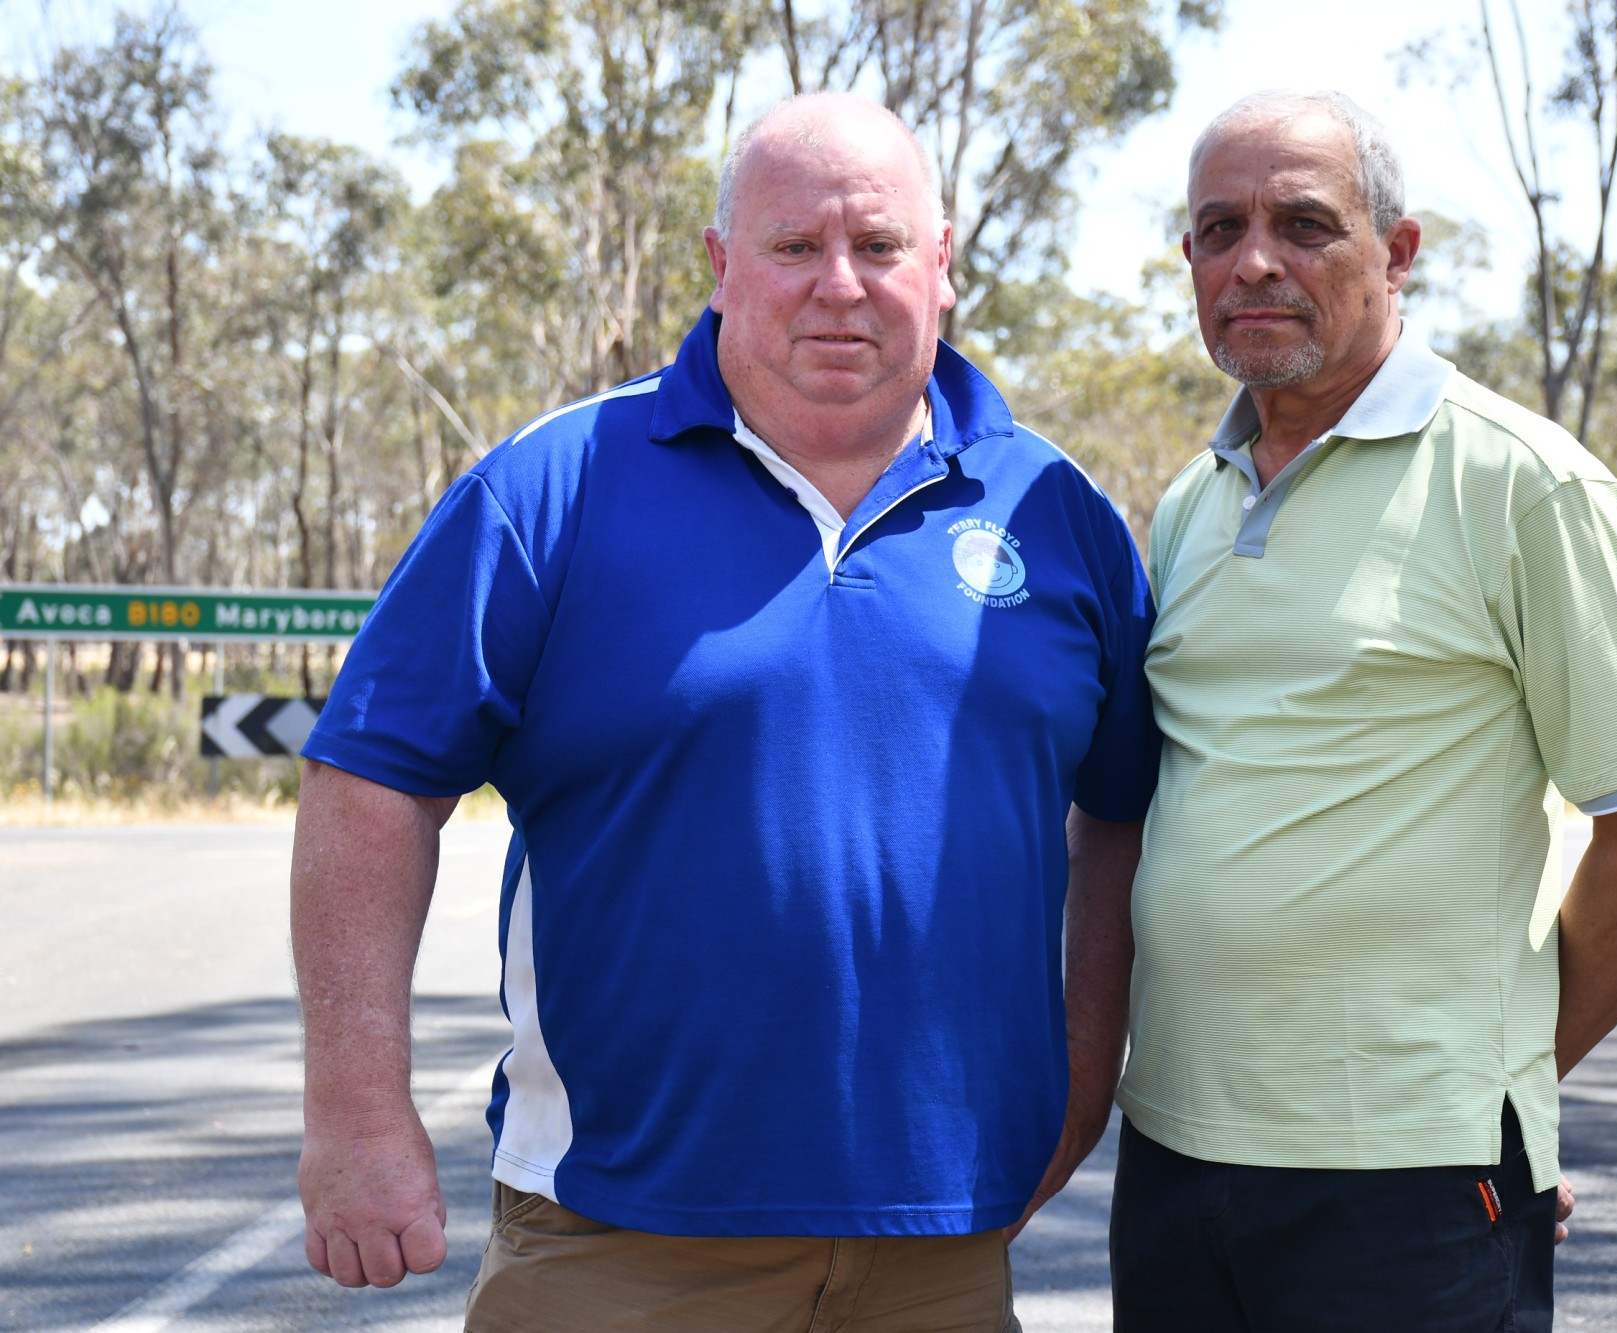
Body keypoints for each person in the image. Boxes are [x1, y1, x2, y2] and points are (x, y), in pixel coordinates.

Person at [290, 92, 1158, 1330]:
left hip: (946, 1253)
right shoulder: (552, 486)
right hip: (620, 1235)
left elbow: (1120, 819)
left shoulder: (1055, 512)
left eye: (879, 247)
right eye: (794, 247)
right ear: (719, 266)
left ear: (944, 265)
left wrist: (1075, 1090)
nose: (839, 287)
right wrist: (356, 1112)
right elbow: (369, 785)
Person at [1109, 90, 1617, 1332]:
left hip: (1408, 1181)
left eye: (1302, 223)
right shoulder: (1190, 503)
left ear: (1397, 253)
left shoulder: (1522, 484)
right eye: (1217, 229)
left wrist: (1506, 1091)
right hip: (1175, 1155)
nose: (1254, 261)